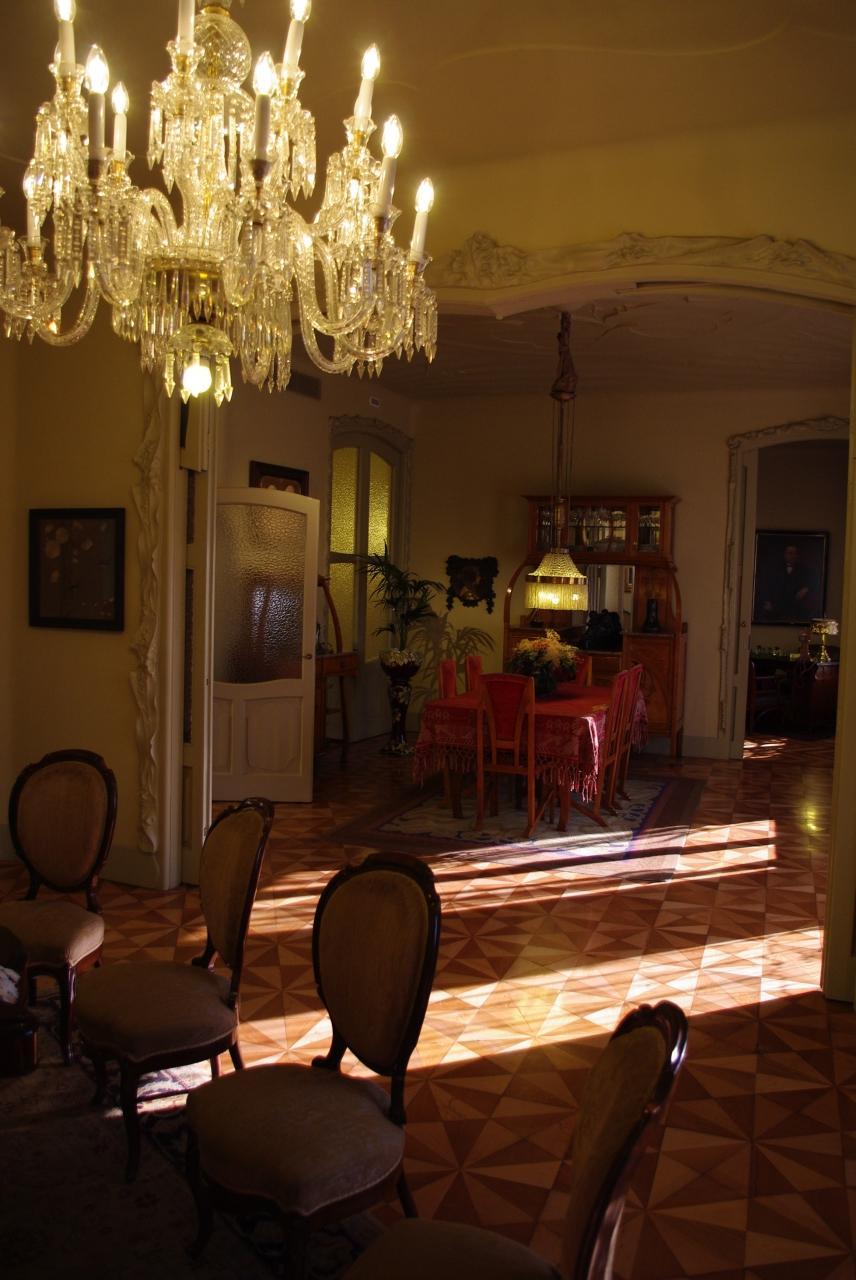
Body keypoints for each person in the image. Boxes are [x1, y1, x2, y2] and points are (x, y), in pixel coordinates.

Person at [759, 543, 816, 621]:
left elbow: (813, 582)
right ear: (785, 555)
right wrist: (767, 601)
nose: (793, 556)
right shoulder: (775, 569)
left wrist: (806, 589)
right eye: (790, 553)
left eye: (795, 553)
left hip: (796, 607)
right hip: (777, 606)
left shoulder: (804, 570)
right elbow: (767, 585)